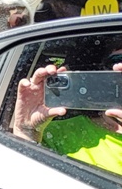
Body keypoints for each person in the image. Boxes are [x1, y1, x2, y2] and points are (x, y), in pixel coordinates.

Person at [12, 43, 122, 175]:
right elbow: (22, 177)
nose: (119, 67)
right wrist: (25, 132)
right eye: (116, 60)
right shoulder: (53, 134)